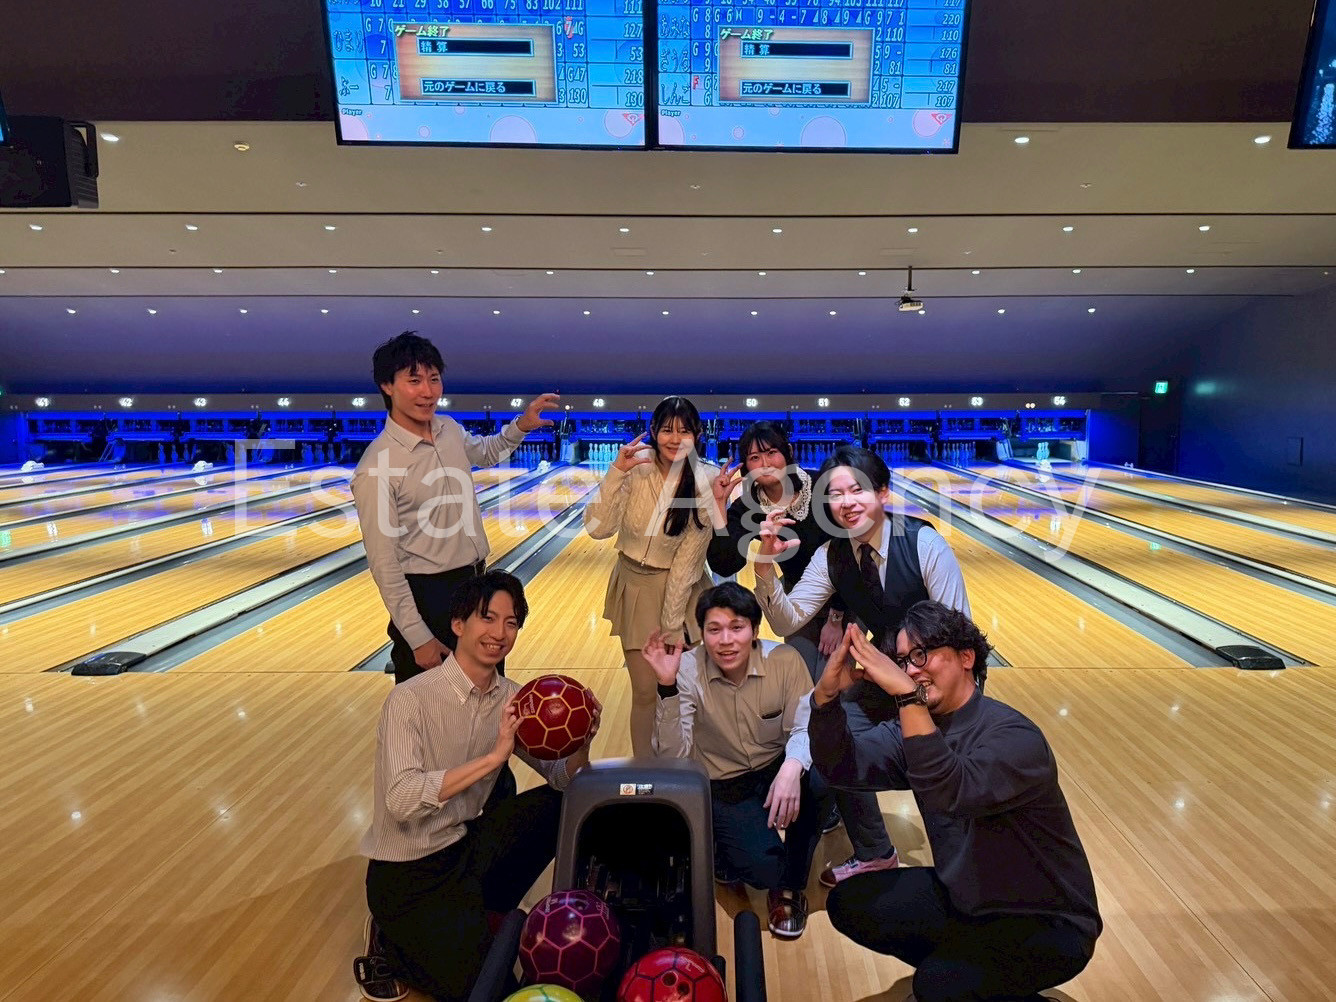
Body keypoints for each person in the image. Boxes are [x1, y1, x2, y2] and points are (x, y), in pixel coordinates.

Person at [809, 601, 1100, 1002]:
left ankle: (965, 981)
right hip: (968, 896)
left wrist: (908, 699)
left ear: (966, 657)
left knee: (934, 987)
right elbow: (842, 768)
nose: (910, 670)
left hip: (1047, 920)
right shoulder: (915, 728)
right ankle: (972, 978)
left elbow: (949, 789)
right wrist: (826, 702)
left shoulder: (1014, 737)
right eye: (902, 661)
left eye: (921, 654)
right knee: (849, 903)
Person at [355, 571, 601, 1002]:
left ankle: (479, 912)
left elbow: (562, 778)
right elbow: (401, 800)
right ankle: (390, 943)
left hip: (464, 849)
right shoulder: (410, 699)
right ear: (458, 624)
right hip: (407, 873)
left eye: (511, 622)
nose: (499, 633)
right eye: (488, 618)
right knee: (485, 988)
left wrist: (581, 744)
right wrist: (492, 759)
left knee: (562, 804)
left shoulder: (515, 700)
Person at [752, 445, 972, 888]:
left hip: (942, 683)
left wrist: (919, 695)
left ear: (883, 493)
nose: (847, 502)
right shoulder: (832, 555)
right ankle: (875, 852)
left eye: (858, 490)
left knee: (934, 773)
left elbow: (959, 634)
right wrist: (764, 564)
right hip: (883, 674)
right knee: (832, 737)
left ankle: (962, 874)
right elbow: (787, 620)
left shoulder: (923, 543)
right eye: (835, 494)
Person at [351, 331, 559, 685]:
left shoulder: (447, 429)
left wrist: (522, 426)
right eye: (414, 380)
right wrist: (418, 638)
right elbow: (384, 564)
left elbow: (486, 452)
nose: (428, 391)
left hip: (478, 586)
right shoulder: (376, 467)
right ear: (387, 386)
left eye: (434, 379)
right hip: (429, 599)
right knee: (432, 713)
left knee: (489, 702)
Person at [647, 582, 826, 939]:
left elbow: (806, 727)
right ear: (702, 634)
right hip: (724, 782)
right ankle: (725, 847)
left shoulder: (785, 660)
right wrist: (667, 687)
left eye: (737, 627)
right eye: (714, 630)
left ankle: (790, 887)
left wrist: (791, 768)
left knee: (822, 777)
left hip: (776, 765)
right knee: (761, 869)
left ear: (755, 631)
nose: (726, 641)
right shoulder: (685, 669)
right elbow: (672, 757)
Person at [583, 395, 718, 757]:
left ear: (698, 435)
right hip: (634, 586)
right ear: (654, 431)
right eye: (667, 430)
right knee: (644, 692)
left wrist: (672, 626)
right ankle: (644, 770)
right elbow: (597, 529)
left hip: (683, 592)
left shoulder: (706, 479)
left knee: (683, 691)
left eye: (684, 430)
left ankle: (690, 769)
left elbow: (687, 564)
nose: (675, 439)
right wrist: (616, 472)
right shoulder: (635, 468)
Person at [705, 420, 846, 674]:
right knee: (803, 679)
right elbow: (725, 563)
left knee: (835, 680)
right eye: (754, 457)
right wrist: (718, 504)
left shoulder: (822, 487)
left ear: (788, 452)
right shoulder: (750, 507)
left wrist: (836, 619)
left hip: (845, 595)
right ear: (746, 466)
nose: (765, 463)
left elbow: (848, 553)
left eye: (771, 452)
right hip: (796, 596)